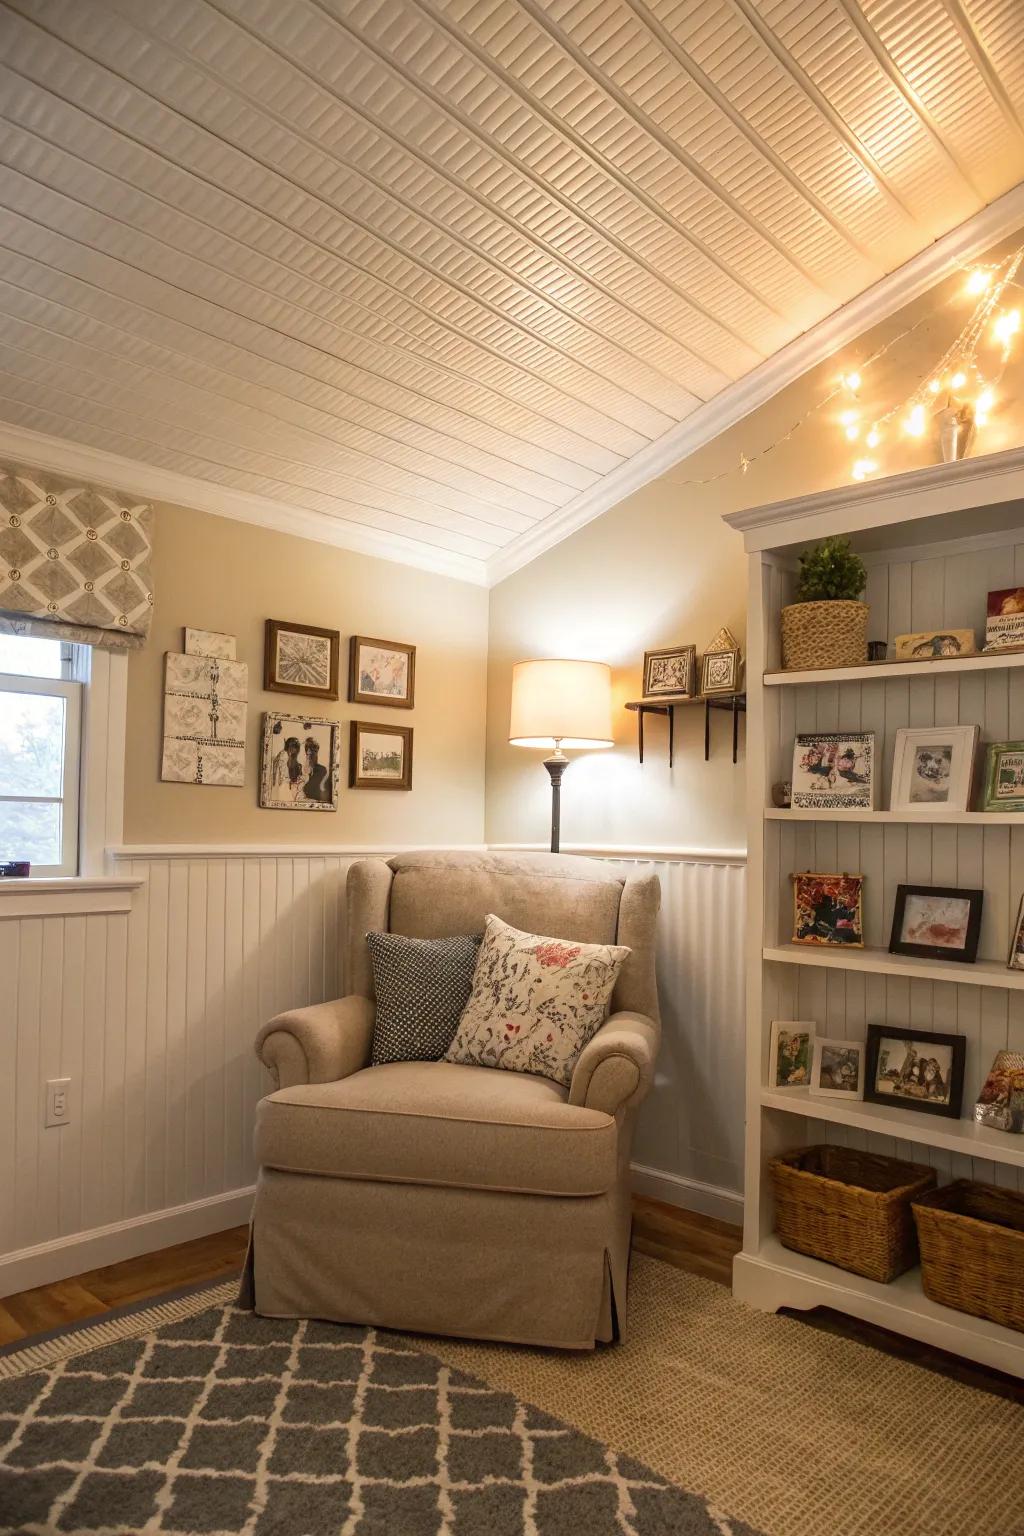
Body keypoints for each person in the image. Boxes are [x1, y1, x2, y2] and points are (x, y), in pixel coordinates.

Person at [271, 736, 302, 801]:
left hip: (285, 786)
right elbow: (281, 777)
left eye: (296, 748)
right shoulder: (284, 756)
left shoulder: (288, 756)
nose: (295, 750)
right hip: (282, 787)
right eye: (294, 747)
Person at [303, 737, 329, 802]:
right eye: (309, 751)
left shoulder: (322, 770)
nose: (312, 754)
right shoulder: (302, 769)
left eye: (315, 751)